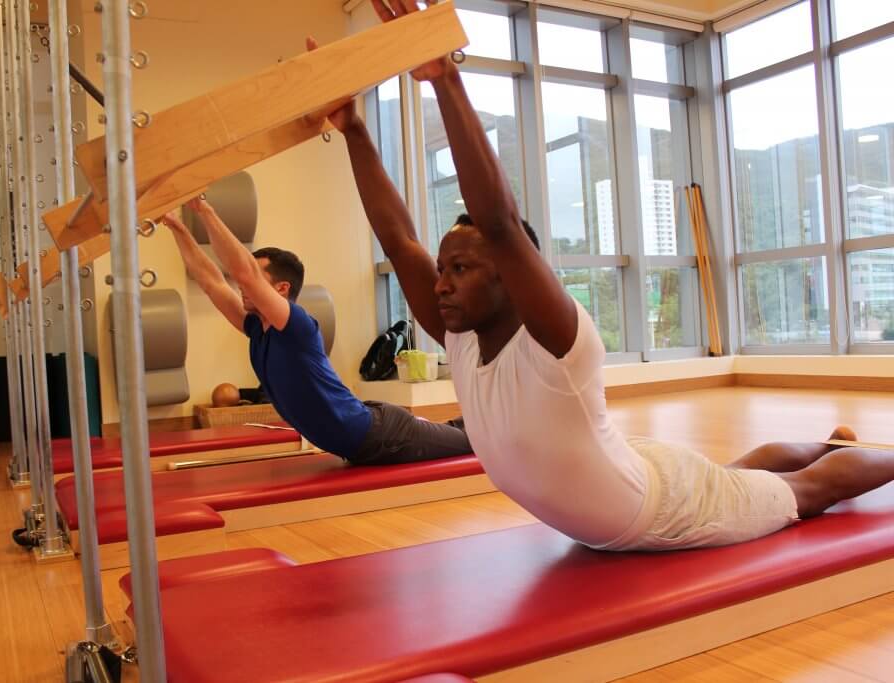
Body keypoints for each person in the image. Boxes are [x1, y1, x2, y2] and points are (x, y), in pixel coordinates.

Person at [325, 0, 894, 549]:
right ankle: (827, 443)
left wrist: (446, 81)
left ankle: (852, 455)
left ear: (510, 278)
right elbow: (399, 241)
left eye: (461, 269)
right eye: (443, 268)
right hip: (635, 472)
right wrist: (354, 129)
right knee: (733, 478)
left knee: (805, 492)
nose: (441, 283)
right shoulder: (463, 339)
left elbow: (500, 224)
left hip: (658, 511)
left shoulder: (555, 343)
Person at [161, 197, 472, 466]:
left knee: (473, 444)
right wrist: (176, 225)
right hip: (368, 429)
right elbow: (211, 281)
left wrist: (203, 209)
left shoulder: (295, 325)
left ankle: (510, 422)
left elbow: (242, 270)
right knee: (458, 434)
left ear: (282, 289)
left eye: (255, 280)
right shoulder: (256, 328)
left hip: (380, 437)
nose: (241, 285)